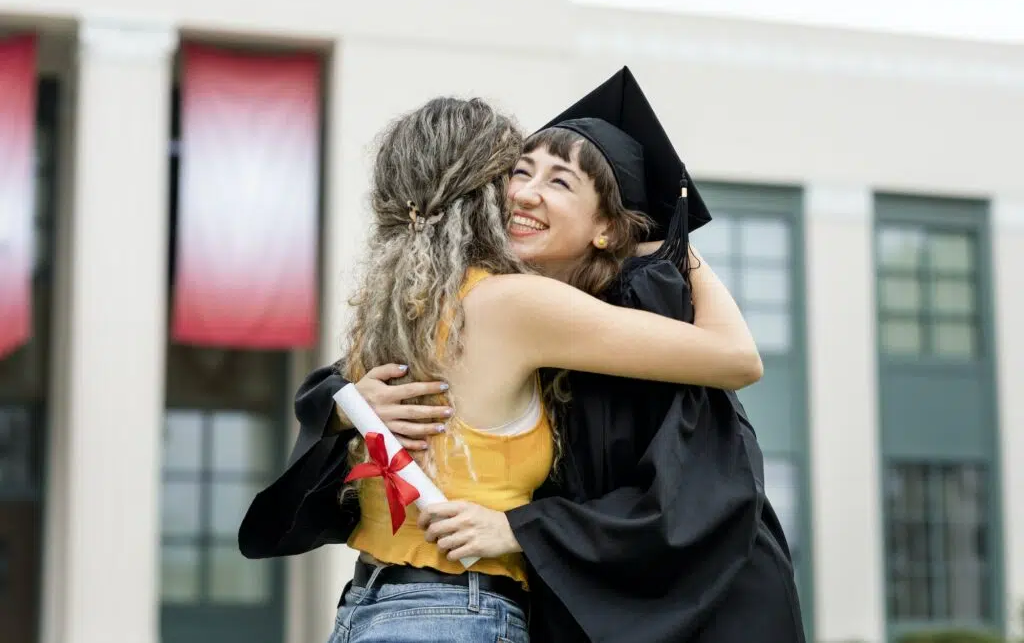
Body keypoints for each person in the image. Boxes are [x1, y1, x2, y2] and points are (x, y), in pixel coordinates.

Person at [239, 92, 763, 643]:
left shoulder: (402, 304)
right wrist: (676, 243)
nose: (522, 192)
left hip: (366, 610)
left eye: (556, 180)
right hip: (452, 613)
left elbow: (327, 395)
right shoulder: (515, 304)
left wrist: (348, 405)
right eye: (516, 172)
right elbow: (735, 357)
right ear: (486, 191)